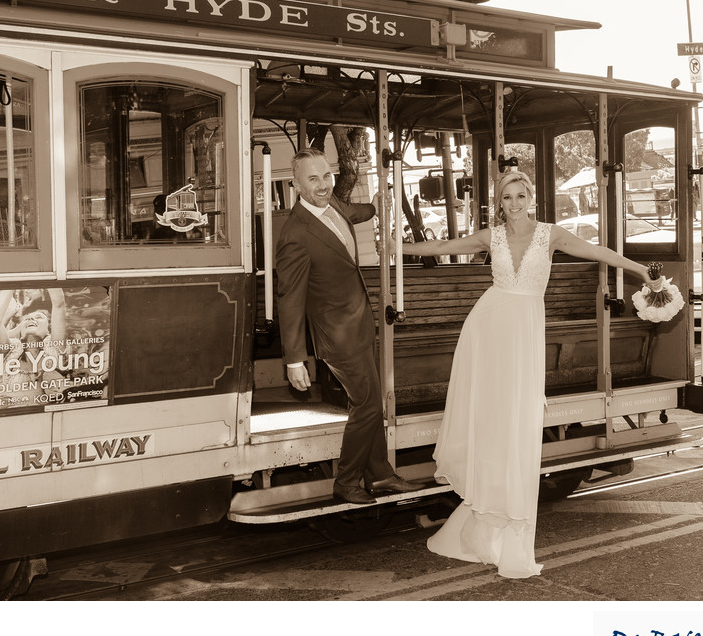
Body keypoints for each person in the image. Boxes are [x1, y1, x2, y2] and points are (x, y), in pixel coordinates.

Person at [396, 171, 652, 578]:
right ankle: (487, 507)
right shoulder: (489, 236)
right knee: (493, 417)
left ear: (531, 197)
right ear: (498, 202)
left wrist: (639, 269)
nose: (514, 203)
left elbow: (598, 250)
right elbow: (444, 244)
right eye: (507, 197)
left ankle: (505, 522)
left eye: (521, 195)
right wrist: (399, 246)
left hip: (524, 328)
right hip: (488, 325)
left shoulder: (550, 235)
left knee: (518, 421)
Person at [275, 148, 422, 505]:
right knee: (368, 404)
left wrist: (375, 205)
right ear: (295, 185)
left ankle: (381, 474)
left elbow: (356, 212)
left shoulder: (334, 204)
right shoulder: (295, 233)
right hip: (336, 335)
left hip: (359, 324)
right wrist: (294, 359)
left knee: (370, 401)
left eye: (327, 176)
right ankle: (347, 480)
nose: (323, 185)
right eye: (313, 179)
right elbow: (289, 298)